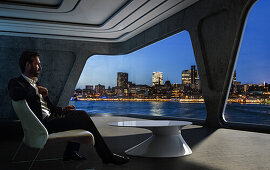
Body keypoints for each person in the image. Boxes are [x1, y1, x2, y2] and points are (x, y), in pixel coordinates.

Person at [8, 51, 129, 165]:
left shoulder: (35, 84)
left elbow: (48, 107)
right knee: (82, 116)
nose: (40, 67)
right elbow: (16, 94)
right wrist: (36, 90)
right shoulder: (16, 83)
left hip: (50, 119)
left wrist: (62, 110)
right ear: (28, 65)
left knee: (75, 113)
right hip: (42, 126)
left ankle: (70, 152)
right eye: (37, 64)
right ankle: (107, 157)